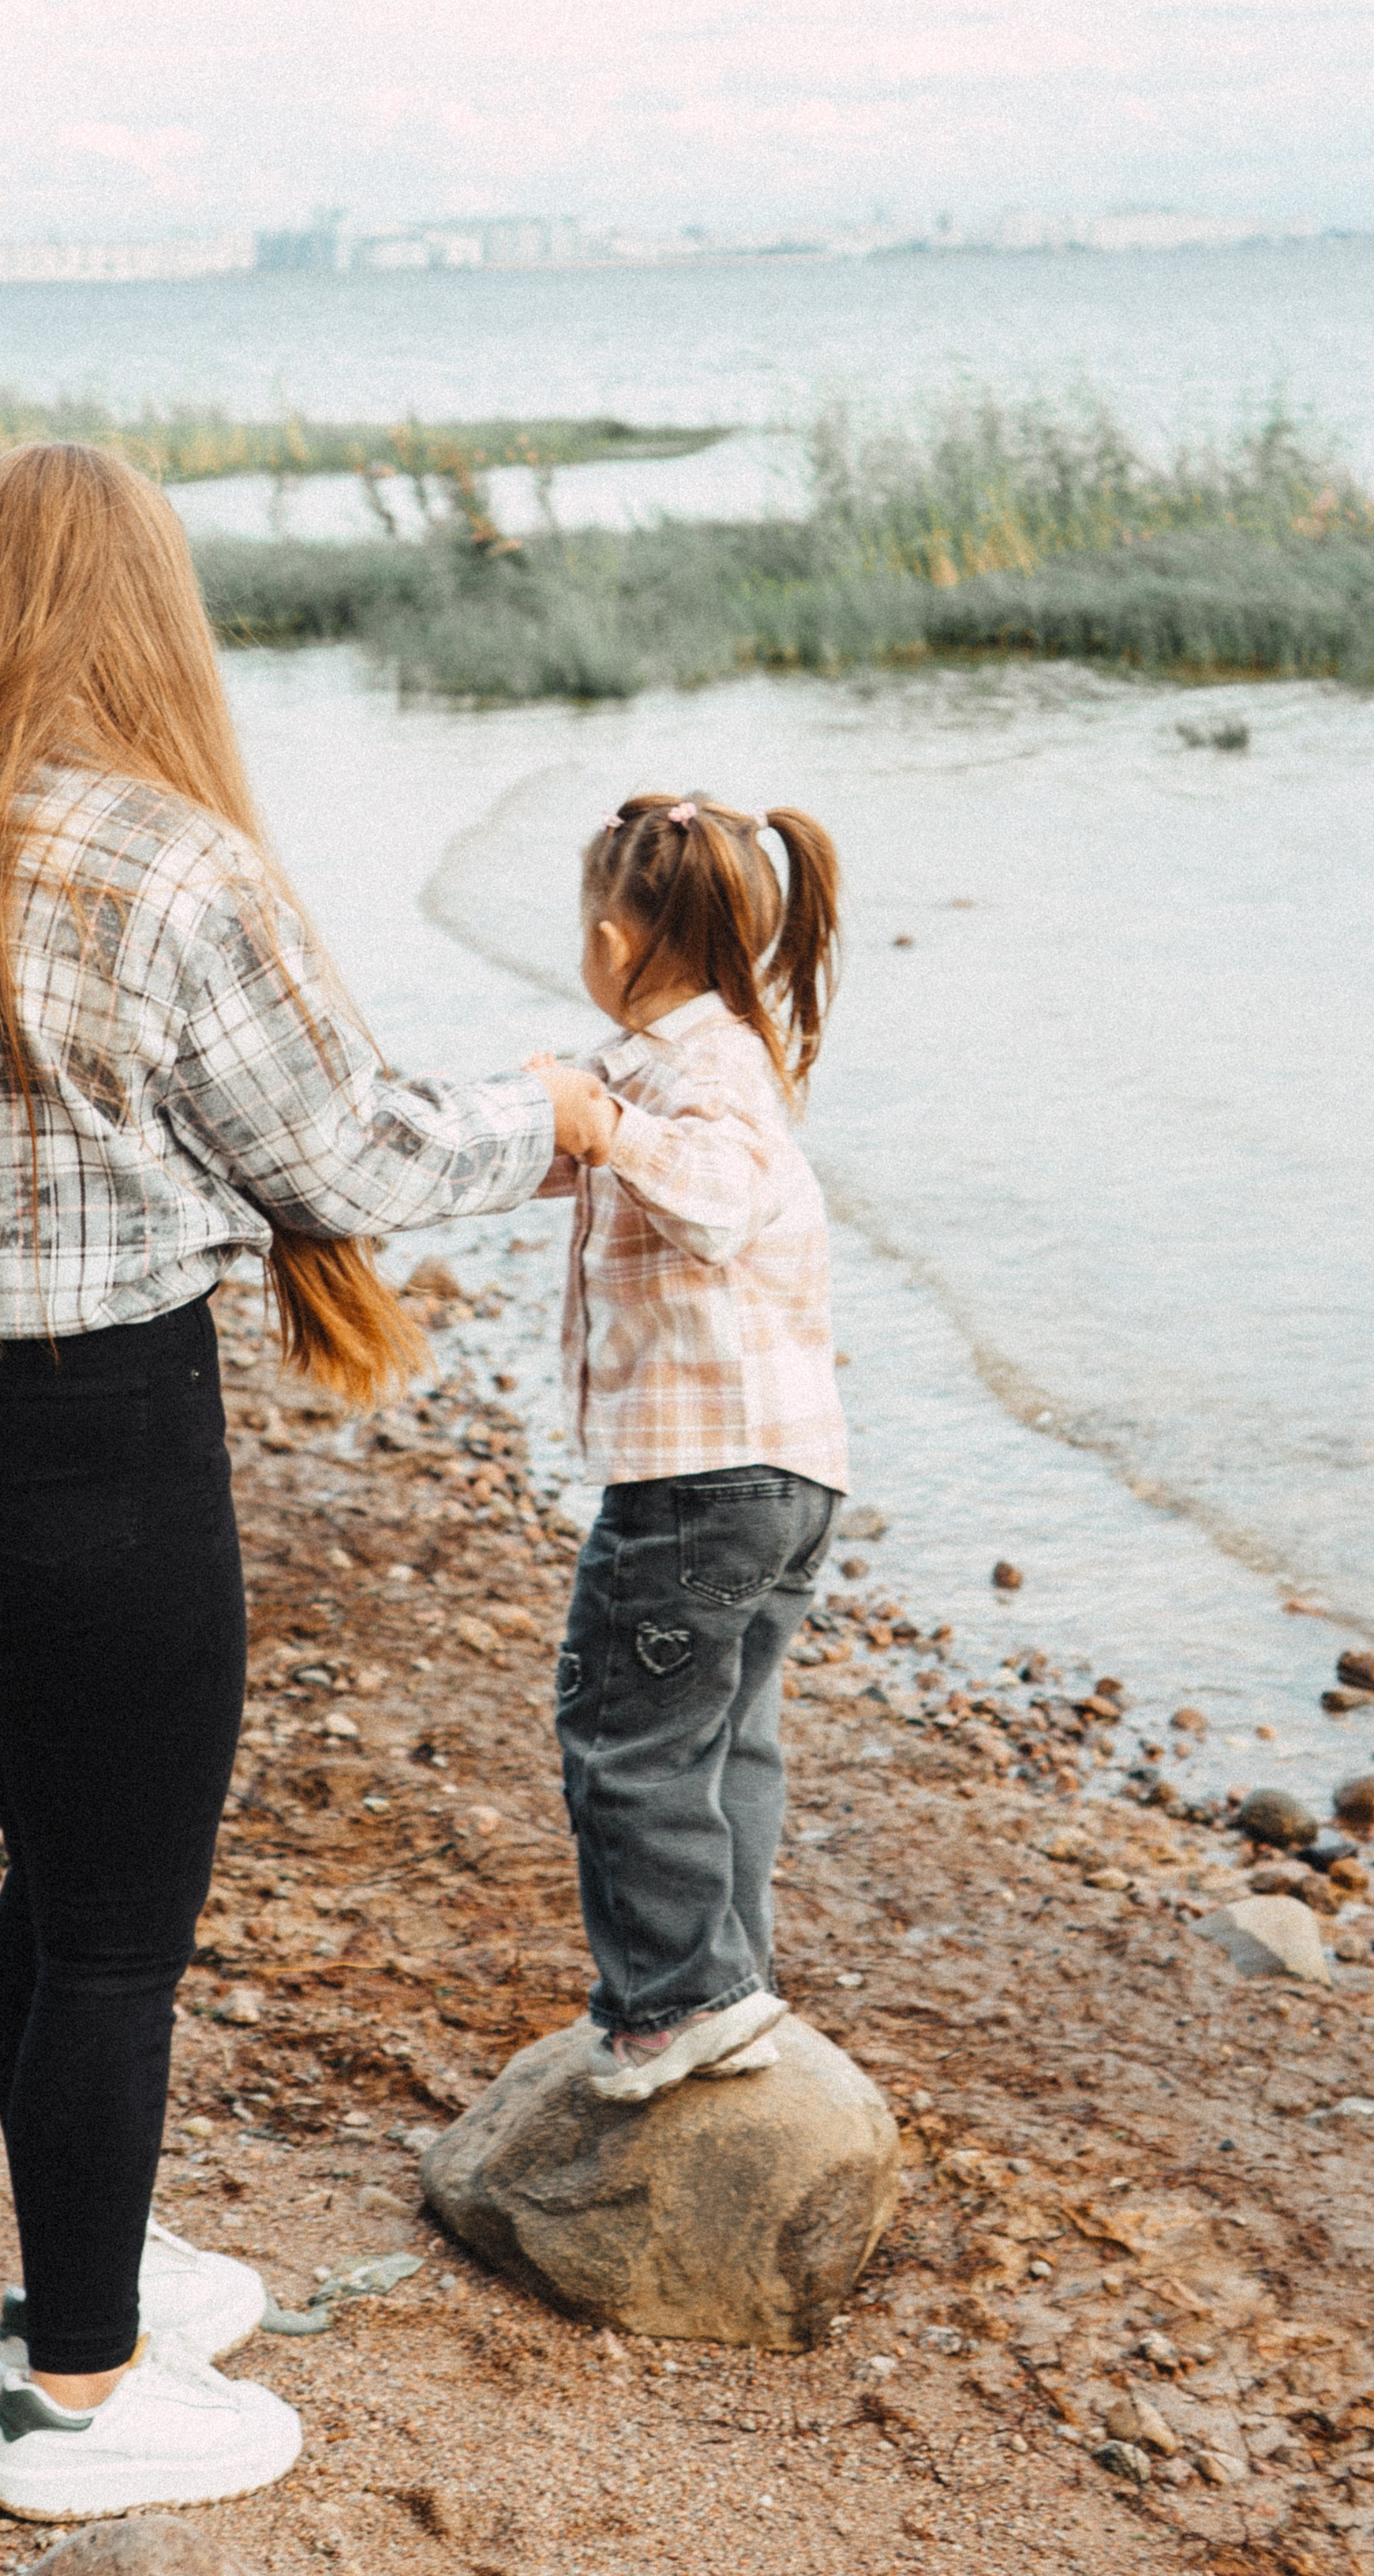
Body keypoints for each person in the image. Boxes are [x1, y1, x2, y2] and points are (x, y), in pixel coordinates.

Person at [0, 442, 604, 2524]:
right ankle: (72, 2399)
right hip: (85, 1467)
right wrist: (555, 1113)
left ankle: (92, 2273)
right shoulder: (161, 866)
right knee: (119, 1922)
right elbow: (352, 1161)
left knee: (63, 1866)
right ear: (148, 615)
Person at [532, 791, 847, 2102]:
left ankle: (676, 1999)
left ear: (613, 937)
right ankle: (736, 1984)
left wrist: (608, 1129)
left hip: (701, 1484)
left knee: (624, 1736)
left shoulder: (698, 1074)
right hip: (777, 1476)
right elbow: (556, 1149)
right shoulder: (689, 1060)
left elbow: (720, 1200)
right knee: (722, 1742)